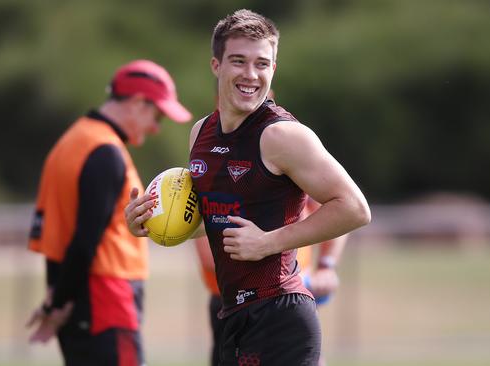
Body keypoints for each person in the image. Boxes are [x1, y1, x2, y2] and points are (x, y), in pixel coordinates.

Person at [126, 9, 370, 365]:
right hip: (233, 317)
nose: (251, 74)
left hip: (281, 314)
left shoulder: (282, 136)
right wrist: (153, 222)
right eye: (238, 61)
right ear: (216, 65)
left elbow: (354, 208)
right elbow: (217, 219)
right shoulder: (201, 134)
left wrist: (270, 241)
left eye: (262, 64)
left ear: (274, 68)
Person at [26, 59, 192, 366]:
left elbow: (55, 231)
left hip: (82, 302)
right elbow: (85, 240)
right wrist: (59, 301)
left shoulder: (72, 141)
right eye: (157, 116)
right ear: (138, 103)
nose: (156, 128)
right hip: (107, 302)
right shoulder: (106, 152)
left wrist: (57, 298)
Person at [194, 198, 347, 366]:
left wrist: (326, 265)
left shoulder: (293, 172)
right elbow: (210, 259)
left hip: (289, 300)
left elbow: (341, 204)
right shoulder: (211, 176)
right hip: (234, 306)